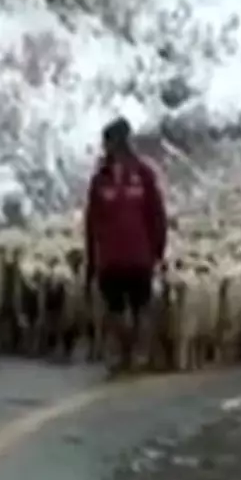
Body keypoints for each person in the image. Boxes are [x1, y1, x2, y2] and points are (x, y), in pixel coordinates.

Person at [84, 117, 167, 376]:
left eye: (110, 142)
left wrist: (158, 249)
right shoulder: (100, 179)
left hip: (138, 256)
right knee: (116, 310)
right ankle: (122, 353)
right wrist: (91, 257)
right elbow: (92, 220)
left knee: (141, 306)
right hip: (110, 258)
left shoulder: (143, 175)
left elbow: (156, 214)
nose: (107, 147)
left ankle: (139, 354)